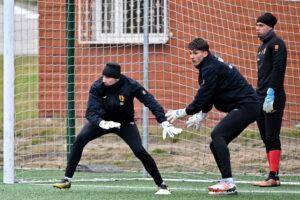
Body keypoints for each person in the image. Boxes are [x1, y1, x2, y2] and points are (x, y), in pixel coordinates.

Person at [53, 62, 182, 195]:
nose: (104, 80)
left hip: (124, 124)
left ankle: (161, 185)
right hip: (102, 122)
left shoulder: (131, 85)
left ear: (117, 78)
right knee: (79, 139)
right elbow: (90, 112)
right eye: (103, 76)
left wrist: (163, 122)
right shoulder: (97, 86)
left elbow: (150, 102)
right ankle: (67, 179)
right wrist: (102, 123)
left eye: (108, 78)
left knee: (139, 151)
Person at [165, 38, 260, 195]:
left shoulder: (210, 68)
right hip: (245, 106)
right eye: (190, 53)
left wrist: (182, 112)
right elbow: (210, 95)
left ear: (205, 53)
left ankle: (228, 183)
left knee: (217, 134)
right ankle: (226, 181)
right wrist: (201, 115)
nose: (192, 57)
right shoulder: (207, 66)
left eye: (195, 53)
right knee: (215, 143)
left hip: (247, 106)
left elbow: (202, 98)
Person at [253, 13, 287, 187]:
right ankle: (273, 175)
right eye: (256, 25)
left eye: (260, 25)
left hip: (272, 96)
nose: (257, 29)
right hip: (260, 97)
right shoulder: (261, 47)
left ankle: (273, 176)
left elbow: (278, 71)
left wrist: (271, 93)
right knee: (265, 136)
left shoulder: (277, 44)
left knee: (272, 135)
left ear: (270, 27)